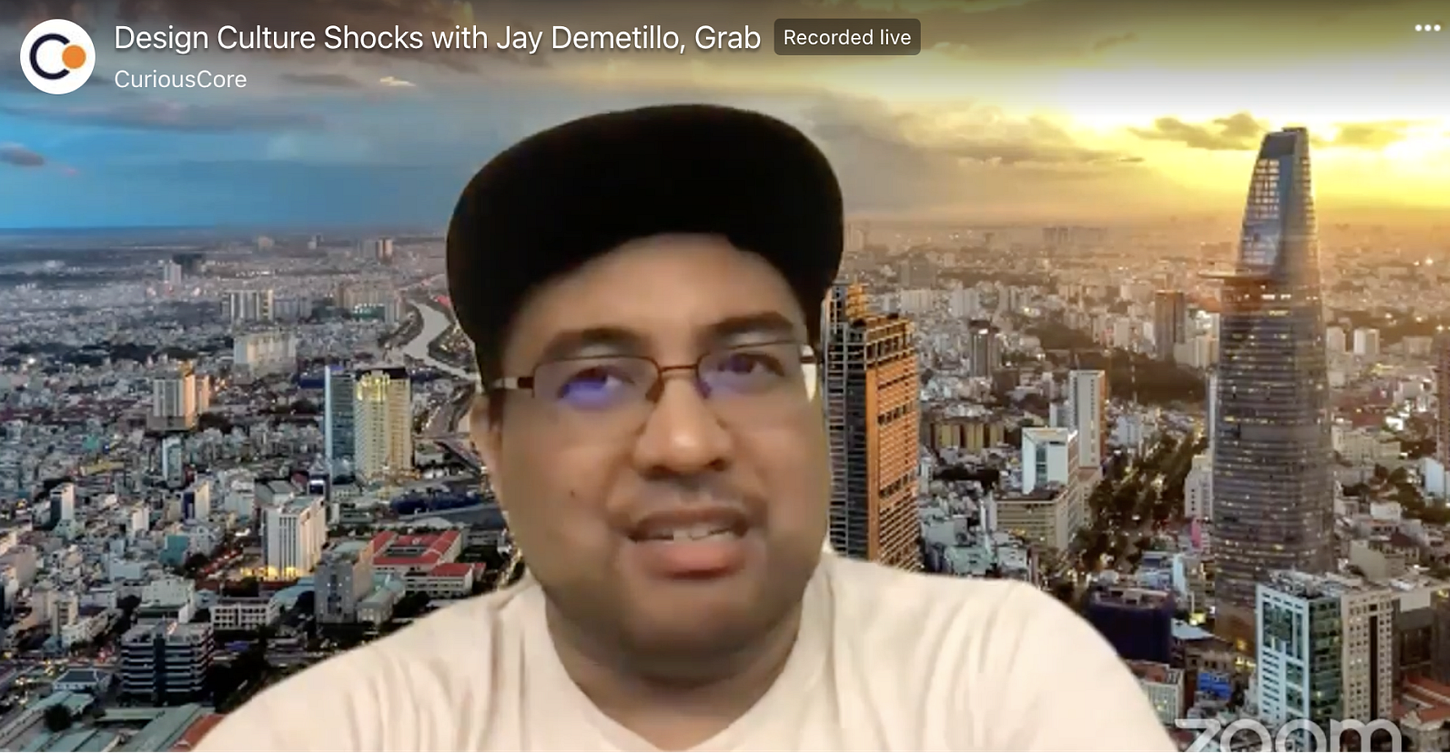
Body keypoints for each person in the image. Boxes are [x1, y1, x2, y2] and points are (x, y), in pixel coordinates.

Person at [196, 105, 1175, 753]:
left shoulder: (1005, 690)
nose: (683, 441)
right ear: (489, 441)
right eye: (594, 380)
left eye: (747, 365)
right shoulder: (341, 734)